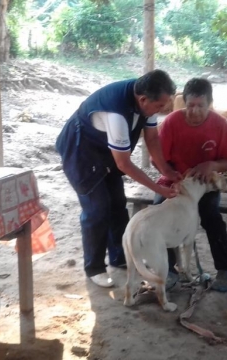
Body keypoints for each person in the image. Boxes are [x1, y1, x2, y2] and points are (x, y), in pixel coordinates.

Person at [56, 69, 183, 288]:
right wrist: (158, 188)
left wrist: (166, 171)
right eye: (159, 106)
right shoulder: (116, 114)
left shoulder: (149, 100)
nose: (161, 111)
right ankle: (94, 267)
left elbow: (152, 138)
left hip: (106, 152)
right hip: (81, 153)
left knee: (117, 203)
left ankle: (120, 257)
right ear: (143, 100)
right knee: (97, 209)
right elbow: (123, 163)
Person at [153, 78, 227, 292]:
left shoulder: (220, 125)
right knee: (160, 211)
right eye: (190, 105)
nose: (195, 111)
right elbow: (157, 159)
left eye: (201, 106)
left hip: (205, 184)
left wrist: (212, 164)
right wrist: (171, 174)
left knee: (211, 216)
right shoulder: (172, 122)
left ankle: (225, 271)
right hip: (175, 179)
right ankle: (169, 271)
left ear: (210, 103)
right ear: (184, 103)